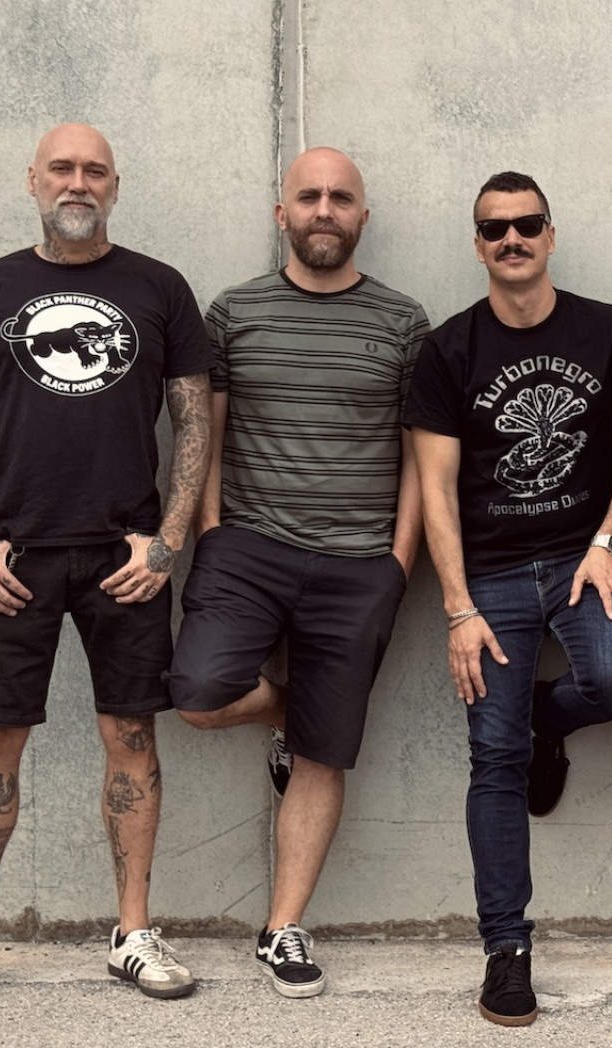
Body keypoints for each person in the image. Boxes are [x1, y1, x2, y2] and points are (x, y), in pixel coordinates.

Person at [0, 123, 212, 1011]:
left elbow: (195, 422)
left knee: (131, 736)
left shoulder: (159, 288)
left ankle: (133, 933)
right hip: (14, 560)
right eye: (62, 169)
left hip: (126, 558)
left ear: (115, 186)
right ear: (33, 180)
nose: (78, 183)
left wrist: (168, 542)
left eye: (95, 171)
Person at [167, 147, 428, 999]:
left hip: (359, 564)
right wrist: (210, 532)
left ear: (362, 216)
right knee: (197, 694)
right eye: (309, 196)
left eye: (341, 198)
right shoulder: (233, 311)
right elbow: (204, 433)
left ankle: (282, 929)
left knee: (325, 753)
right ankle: (287, 710)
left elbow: (419, 454)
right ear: (282, 214)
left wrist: (399, 562)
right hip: (246, 549)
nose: (324, 210)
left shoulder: (403, 321)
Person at [406, 171, 612, 1026]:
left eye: (527, 223)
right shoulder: (448, 350)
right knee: (494, 757)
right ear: (478, 245)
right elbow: (436, 489)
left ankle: (548, 719)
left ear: (551, 235)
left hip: (584, 560)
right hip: (492, 577)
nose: (511, 238)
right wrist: (457, 607)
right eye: (494, 228)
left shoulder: (606, 330)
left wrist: (608, 542)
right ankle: (506, 950)